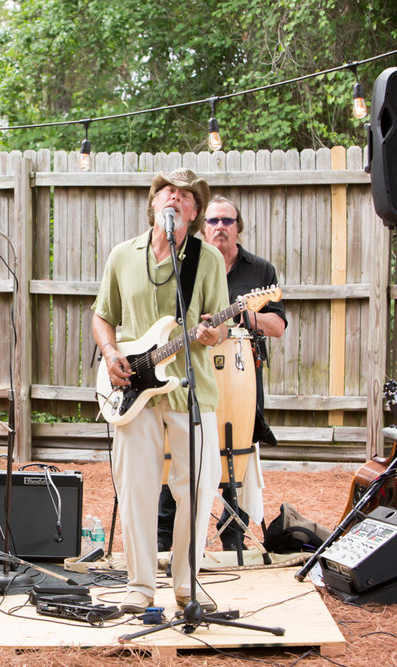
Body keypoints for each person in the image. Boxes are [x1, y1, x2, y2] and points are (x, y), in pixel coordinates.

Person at [92, 168, 228, 614]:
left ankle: (187, 586)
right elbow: (102, 315)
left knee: (197, 487)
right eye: (168, 191)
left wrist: (213, 334)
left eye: (186, 196)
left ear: (194, 212)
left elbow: (218, 325)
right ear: (154, 202)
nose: (176, 198)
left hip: (191, 389)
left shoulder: (205, 259)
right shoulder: (121, 255)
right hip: (133, 390)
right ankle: (140, 585)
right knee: (137, 486)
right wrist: (110, 353)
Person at [157, 195, 287, 553]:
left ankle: (233, 542)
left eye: (227, 221)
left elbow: (277, 325)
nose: (219, 227)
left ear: (238, 228)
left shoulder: (260, 271)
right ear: (203, 226)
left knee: (232, 458)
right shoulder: (189, 261)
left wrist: (242, 317)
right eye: (212, 221)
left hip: (237, 376)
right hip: (188, 367)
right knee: (177, 451)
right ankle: (164, 540)